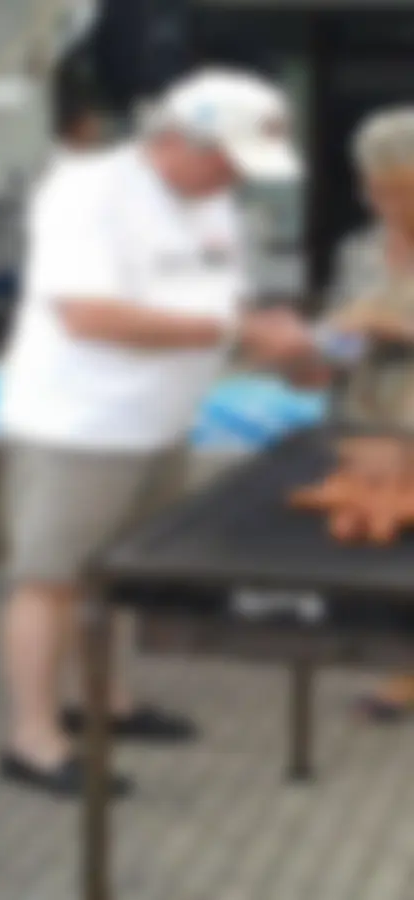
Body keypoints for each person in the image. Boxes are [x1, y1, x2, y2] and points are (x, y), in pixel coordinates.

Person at [0, 68, 319, 795]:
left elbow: (217, 308)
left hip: (158, 426)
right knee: (48, 580)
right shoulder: (93, 192)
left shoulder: (216, 207)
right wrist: (237, 328)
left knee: (114, 576)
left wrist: (279, 345)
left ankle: (105, 700)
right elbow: (90, 315)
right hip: (78, 428)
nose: (234, 176)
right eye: (227, 159)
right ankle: (33, 736)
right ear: (180, 139)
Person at [321, 107, 414, 721]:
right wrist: (339, 336)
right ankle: (401, 669)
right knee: (385, 550)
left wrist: (396, 324)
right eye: (373, 188)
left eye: (397, 188)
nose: (382, 201)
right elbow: (334, 344)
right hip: (366, 423)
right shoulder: (358, 250)